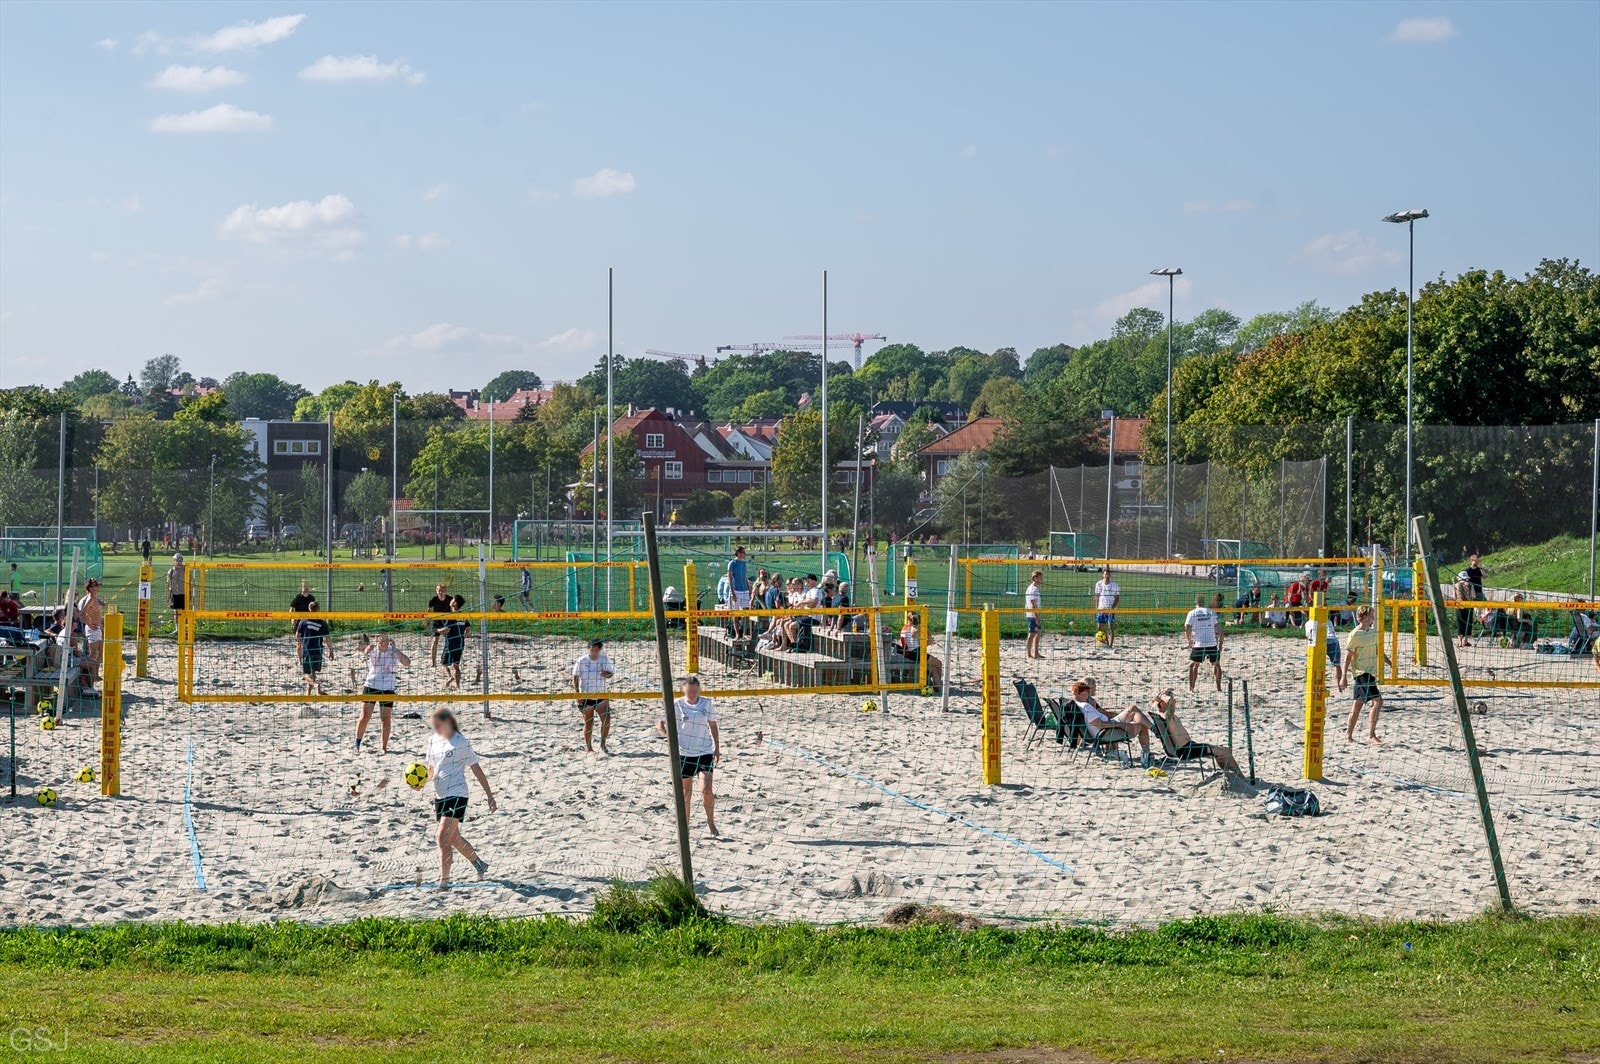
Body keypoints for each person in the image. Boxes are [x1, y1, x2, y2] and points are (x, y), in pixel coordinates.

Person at [422, 707, 496, 887]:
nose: (436, 727)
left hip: (457, 793)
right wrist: (420, 783)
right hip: (440, 795)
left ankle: (443, 882)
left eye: (439, 724)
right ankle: (479, 864)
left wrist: (489, 795)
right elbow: (431, 770)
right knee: (453, 838)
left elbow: (476, 768)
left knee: (442, 837)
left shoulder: (460, 742)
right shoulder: (433, 740)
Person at [657, 674, 719, 836]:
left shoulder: (706, 703)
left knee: (706, 790)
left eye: (694, 690)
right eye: (689, 691)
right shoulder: (676, 704)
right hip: (683, 753)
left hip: (704, 752)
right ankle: (685, 827)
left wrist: (717, 748)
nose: (692, 694)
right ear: (683, 689)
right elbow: (660, 724)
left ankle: (711, 823)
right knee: (685, 793)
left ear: (699, 689)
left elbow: (713, 725)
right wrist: (667, 737)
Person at [1152, 689, 1241, 773]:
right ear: (1163, 704)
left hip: (1188, 747)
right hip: (1186, 751)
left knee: (1222, 750)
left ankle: (1230, 775)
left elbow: (1170, 705)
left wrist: (1165, 698)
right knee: (1225, 752)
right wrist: (1164, 697)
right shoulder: (1166, 716)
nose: (1174, 702)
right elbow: (1170, 704)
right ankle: (1241, 778)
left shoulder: (1162, 716)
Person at [1071, 679, 1152, 766]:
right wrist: (1122, 725)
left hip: (1101, 731)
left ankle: (1153, 730)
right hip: (1105, 733)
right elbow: (1100, 724)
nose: (1088, 693)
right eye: (1086, 692)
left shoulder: (1076, 705)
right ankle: (1146, 754)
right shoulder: (1086, 706)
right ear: (1080, 694)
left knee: (1133, 710)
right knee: (1142, 724)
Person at [355, 633, 410, 753]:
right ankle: (357, 744)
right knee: (364, 717)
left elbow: (407, 663)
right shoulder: (372, 650)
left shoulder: (393, 651)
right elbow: (360, 650)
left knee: (385, 718)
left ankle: (383, 747)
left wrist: (397, 651)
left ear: (389, 640)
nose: (383, 643)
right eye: (381, 641)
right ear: (377, 641)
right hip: (371, 685)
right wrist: (365, 649)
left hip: (388, 688)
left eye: (385, 640)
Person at [1344, 605, 1385, 744]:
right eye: (1372, 615)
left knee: (1357, 705)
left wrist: (1390, 662)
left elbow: (1378, 650)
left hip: (1370, 672)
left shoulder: (1373, 632)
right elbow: (1348, 656)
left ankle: (1348, 736)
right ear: (1365, 617)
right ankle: (1372, 735)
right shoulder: (1355, 634)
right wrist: (1343, 676)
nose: (1374, 617)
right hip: (1362, 673)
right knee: (1378, 701)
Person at [571, 638, 614, 753]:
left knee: (606, 720)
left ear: (600, 650)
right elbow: (575, 677)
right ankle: (589, 748)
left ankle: (603, 744)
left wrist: (606, 674)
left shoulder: (604, 659)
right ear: (588, 649)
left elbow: (611, 674)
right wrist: (577, 694)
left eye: (596, 650)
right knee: (589, 723)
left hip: (601, 695)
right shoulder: (582, 660)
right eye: (592, 650)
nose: (594, 653)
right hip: (586, 695)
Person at [1183, 593, 1223, 693]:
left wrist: (1189, 641)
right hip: (1212, 643)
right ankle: (1219, 688)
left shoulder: (1192, 613)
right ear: (1204, 602)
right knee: (1217, 665)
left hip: (1199, 644)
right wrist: (1220, 644)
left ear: (1195, 602)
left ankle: (1191, 689)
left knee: (1193, 666)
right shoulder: (1211, 612)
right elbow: (1218, 629)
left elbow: (1187, 628)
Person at [295, 600, 332, 696]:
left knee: (306, 674)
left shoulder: (303, 621)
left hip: (307, 650)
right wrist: (331, 651)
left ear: (309, 609)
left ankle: (316, 685)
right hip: (318, 651)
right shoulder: (322, 623)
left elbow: (297, 636)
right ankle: (309, 692)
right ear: (319, 610)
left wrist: (300, 644)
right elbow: (327, 638)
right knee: (313, 672)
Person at [1305, 607, 1347, 693]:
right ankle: (1339, 686)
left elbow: (1309, 637)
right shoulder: (1328, 620)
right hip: (1332, 641)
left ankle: (1315, 684)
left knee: (1316, 665)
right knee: (1337, 664)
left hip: (1319, 642)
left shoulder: (1308, 623)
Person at [899, 612, 942, 688]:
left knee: (934, 668)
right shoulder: (915, 630)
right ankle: (938, 685)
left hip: (908, 653)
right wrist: (929, 642)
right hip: (915, 654)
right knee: (939, 664)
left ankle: (937, 686)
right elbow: (919, 645)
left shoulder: (905, 628)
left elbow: (912, 643)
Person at [76, 579, 104, 688]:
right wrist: (89, 623)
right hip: (92, 629)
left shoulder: (95, 598)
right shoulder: (90, 599)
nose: (97, 587)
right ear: (90, 588)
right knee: (93, 654)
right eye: (95, 586)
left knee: (99, 653)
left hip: (97, 628)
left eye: (97, 585)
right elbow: (81, 614)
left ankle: (95, 674)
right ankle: (87, 677)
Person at [439, 595, 469, 690]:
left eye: (453, 600)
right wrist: (463, 636)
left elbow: (447, 629)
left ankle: (449, 677)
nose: (451, 600)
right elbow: (467, 628)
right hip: (460, 643)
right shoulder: (463, 616)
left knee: (443, 664)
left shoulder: (451, 616)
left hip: (450, 643)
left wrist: (438, 631)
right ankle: (458, 687)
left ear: (455, 603)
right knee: (456, 665)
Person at [1093, 566, 1120, 648]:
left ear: (1110, 575)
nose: (1107, 576)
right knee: (1100, 627)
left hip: (1110, 609)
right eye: (1105, 574)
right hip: (1101, 608)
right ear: (1103, 575)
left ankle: (1111, 645)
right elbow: (1096, 597)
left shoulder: (1115, 585)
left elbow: (1117, 598)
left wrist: (1112, 608)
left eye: (1108, 574)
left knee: (1110, 627)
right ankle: (1105, 643)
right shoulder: (1098, 584)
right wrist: (1096, 608)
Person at [727, 546, 751, 637]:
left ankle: (745, 632)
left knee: (746, 613)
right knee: (735, 614)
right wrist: (733, 593)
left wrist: (749, 589)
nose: (745, 554)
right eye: (743, 552)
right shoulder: (732, 563)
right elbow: (729, 578)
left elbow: (744, 577)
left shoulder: (743, 563)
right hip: (736, 590)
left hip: (744, 591)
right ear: (739, 553)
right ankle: (737, 634)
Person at [426, 583, 452, 666]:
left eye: (442, 590)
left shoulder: (450, 599)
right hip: (436, 621)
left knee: (449, 641)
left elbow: (453, 610)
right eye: (439, 590)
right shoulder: (433, 600)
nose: (440, 592)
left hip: (447, 621)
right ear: (436, 591)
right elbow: (428, 611)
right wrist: (427, 621)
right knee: (435, 641)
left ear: (445, 591)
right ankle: (433, 663)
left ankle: (447, 660)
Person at [1024, 570, 1044, 659]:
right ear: (1035, 578)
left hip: (1034, 614)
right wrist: (1037, 617)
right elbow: (1033, 603)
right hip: (1033, 615)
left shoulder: (1033, 588)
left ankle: (1036, 653)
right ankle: (1029, 654)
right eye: (1040, 578)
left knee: (1038, 633)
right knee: (1032, 634)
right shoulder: (1033, 589)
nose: (1042, 580)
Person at [1453, 576, 1474, 648]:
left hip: (1459, 606)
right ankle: (1465, 641)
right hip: (1469, 606)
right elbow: (1473, 596)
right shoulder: (1470, 584)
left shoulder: (1456, 585)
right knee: (1468, 623)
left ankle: (1460, 642)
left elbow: (1454, 596)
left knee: (1460, 622)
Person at [166, 553, 186, 627]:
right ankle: (177, 628)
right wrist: (169, 596)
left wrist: (190, 594)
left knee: (184, 611)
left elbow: (191, 582)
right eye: (177, 560)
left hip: (184, 593)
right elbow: (169, 584)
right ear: (174, 561)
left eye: (181, 560)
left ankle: (184, 626)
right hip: (175, 594)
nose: (179, 562)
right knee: (176, 612)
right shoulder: (171, 571)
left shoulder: (186, 569)